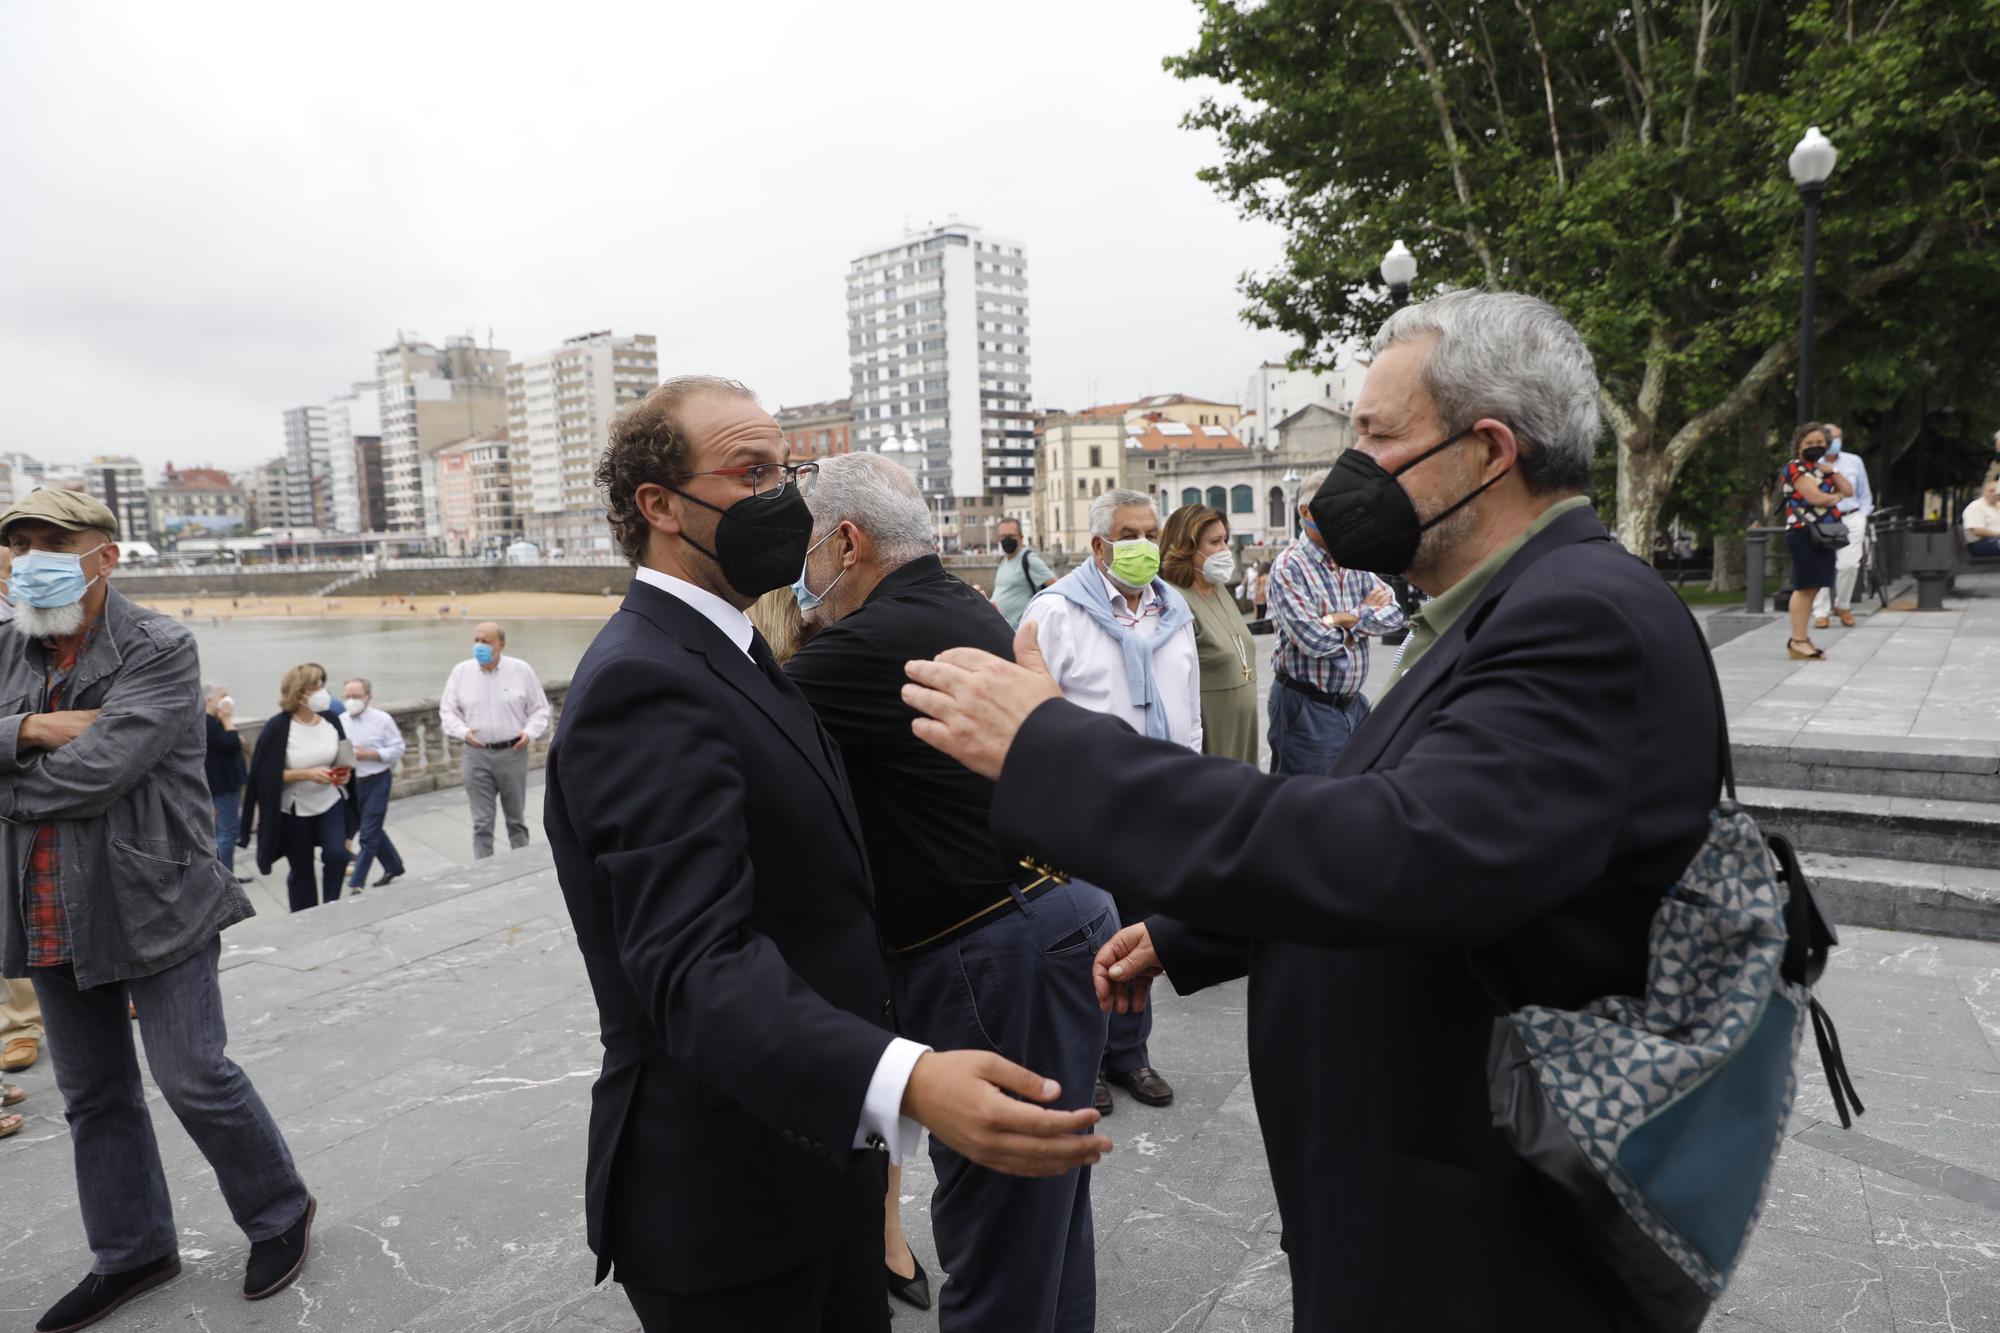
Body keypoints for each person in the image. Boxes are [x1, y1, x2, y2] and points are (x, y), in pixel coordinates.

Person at [901, 290, 1728, 1329]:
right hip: (1429, 1205)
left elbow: (1404, 854)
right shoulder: (1507, 605)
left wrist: (1050, 746)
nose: (1347, 469)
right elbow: (1403, 817)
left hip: (1488, 1239)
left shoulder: (1584, 617)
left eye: (1376, 436)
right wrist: (1200, 927)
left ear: (1485, 451)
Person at [543, 375, 1109, 1332]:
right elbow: (694, 968)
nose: (787, 500)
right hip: (733, 1199)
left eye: (788, 471)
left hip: (814, 1160)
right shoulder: (642, 680)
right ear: (659, 504)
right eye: (752, 471)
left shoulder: (734, 649)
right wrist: (911, 1077)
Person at [787, 453, 1117, 1332]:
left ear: (847, 543)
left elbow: (733, 729)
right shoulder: (962, 603)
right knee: (1047, 1212)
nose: (799, 572)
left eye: (804, 549)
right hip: (1052, 915)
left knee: (998, 1237)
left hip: (992, 950)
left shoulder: (861, 648)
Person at [0, 489, 315, 1329]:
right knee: (93, 1093)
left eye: (50, 541)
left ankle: (281, 1211)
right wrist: (32, 731)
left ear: (105, 555)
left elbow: (103, 770)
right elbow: (69, 759)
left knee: (193, 1074)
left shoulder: (158, 645)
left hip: (154, 893)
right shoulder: (6, 646)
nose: (26, 558)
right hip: (44, 904)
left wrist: (11, 765)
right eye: (17, 542)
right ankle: (133, 1250)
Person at [1022, 488, 1195, 1115]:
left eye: (1151, 533)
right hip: (1083, 808)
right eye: (1130, 534)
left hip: (1156, 803)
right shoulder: (1055, 613)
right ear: (1099, 546)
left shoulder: (1174, 611)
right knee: (1087, 935)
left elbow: (1188, 709)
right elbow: (1031, 711)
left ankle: (1131, 1055)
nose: (1144, 546)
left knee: (1141, 932)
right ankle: (1086, 1060)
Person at [1265, 474, 1405, 775]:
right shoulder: (1290, 567)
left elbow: (1394, 614)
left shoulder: (1354, 559)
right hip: (1307, 708)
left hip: (1353, 705)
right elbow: (1315, 641)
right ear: (1306, 512)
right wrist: (1365, 613)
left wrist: (1343, 618)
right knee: (1306, 803)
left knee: (1351, 792)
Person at [242, 663, 358, 912]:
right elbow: (264, 776)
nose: (322, 692)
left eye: (322, 686)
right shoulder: (278, 727)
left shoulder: (331, 718)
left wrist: (345, 772)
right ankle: (305, 915)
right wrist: (305, 774)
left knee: (338, 855)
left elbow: (345, 752)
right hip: (295, 809)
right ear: (299, 692)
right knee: (302, 869)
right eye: (315, 687)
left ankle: (331, 905)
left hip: (330, 800)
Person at [439, 622, 549, 859]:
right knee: (482, 821)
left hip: (512, 753)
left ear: (501, 645)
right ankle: (484, 868)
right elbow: (447, 711)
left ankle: (521, 863)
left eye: (486, 641)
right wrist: (463, 732)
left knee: (516, 819)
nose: (479, 645)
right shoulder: (461, 672)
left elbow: (540, 709)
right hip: (475, 754)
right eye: (476, 640)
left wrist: (529, 733)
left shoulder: (521, 670)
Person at [1160, 504, 1259, 764]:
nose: (1225, 550)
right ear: (1186, 546)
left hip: (1243, 726)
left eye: (1226, 540)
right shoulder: (1174, 599)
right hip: (1210, 726)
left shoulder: (1217, 588)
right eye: (1215, 542)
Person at [1780, 422, 1853, 660]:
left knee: (1814, 586)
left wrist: (1832, 472)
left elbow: (1849, 490)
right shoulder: (1794, 468)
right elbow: (1816, 497)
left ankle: (1802, 638)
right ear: (1798, 445)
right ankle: (1797, 640)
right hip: (1804, 532)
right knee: (1804, 586)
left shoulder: (1824, 467)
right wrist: (1836, 497)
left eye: (1820, 443)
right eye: (1809, 443)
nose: (1815, 447)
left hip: (1825, 533)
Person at [341, 677, 408, 890]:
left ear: (368, 697)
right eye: (348, 696)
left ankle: (356, 882)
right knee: (371, 826)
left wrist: (371, 754)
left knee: (368, 833)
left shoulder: (382, 720)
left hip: (378, 780)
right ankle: (394, 865)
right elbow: (341, 755)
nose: (352, 700)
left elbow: (398, 748)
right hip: (353, 783)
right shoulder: (341, 720)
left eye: (356, 696)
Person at [1811, 424, 1874, 628]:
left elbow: (1863, 493)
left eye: (1838, 437)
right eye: (1831, 438)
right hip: (1823, 517)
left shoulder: (1854, 461)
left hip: (1851, 515)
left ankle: (1843, 605)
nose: (1835, 442)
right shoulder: (1812, 463)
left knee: (1849, 564)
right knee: (1822, 563)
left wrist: (1863, 515)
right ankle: (1821, 611)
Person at [203, 684, 249, 883]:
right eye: (223, 696)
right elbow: (231, 743)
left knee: (223, 830)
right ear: (209, 701)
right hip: (222, 784)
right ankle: (226, 878)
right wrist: (229, 720)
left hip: (225, 782)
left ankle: (223, 874)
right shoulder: (209, 723)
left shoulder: (212, 721)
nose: (227, 700)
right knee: (227, 831)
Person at [990, 516, 1055, 629]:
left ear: (1021, 537)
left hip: (1019, 632)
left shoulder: (1029, 560)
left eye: (1010, 536)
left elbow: (1055, 586)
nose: (1006, 539)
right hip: (1001, 629)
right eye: (1003, 536)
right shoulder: (1003, 561)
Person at [1964, 477, 2000, 557]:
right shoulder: (1975, 506)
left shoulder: (1998, 505)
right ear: (1983, 492)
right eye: (1991, 491)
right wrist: (1998, 534)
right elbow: (1978, 531)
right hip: (1980, 544)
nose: (1994, 493)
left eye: (1997, 491)